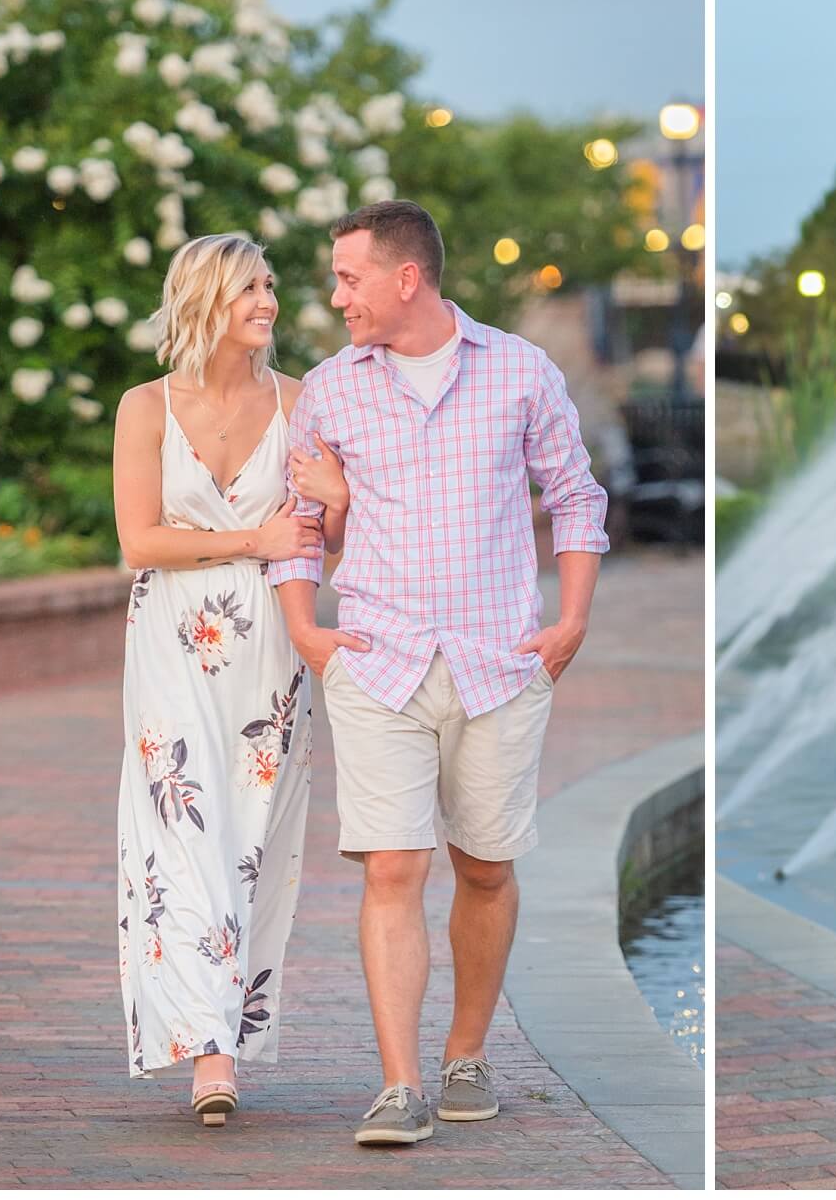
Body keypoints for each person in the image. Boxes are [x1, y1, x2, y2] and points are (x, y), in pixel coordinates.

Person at [268, 200, 610, 1147]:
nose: (337, 297)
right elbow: (301, 522)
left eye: (349, 277)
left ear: (404, 277)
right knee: (393, 866)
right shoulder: (332, 390)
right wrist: (307, 629)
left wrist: (570, 621)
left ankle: (465, 1053)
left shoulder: (520, 371)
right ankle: (400, 1084)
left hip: (499, 660)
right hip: (378, 660)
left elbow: (577, 498)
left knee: (485, 868)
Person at [112, 234, 348, 1125]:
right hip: (172, 641)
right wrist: (253, 539)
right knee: (183, 830)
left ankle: (227, 1032)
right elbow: (140, 540)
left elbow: (325, 535)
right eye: (251, 286)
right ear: (207, 297)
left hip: (271, 652)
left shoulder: (301, 401)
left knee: (251, 839)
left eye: (271, 286)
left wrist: (342, 502)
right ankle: (210, 1056)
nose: (270, 300)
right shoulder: (145, 408)